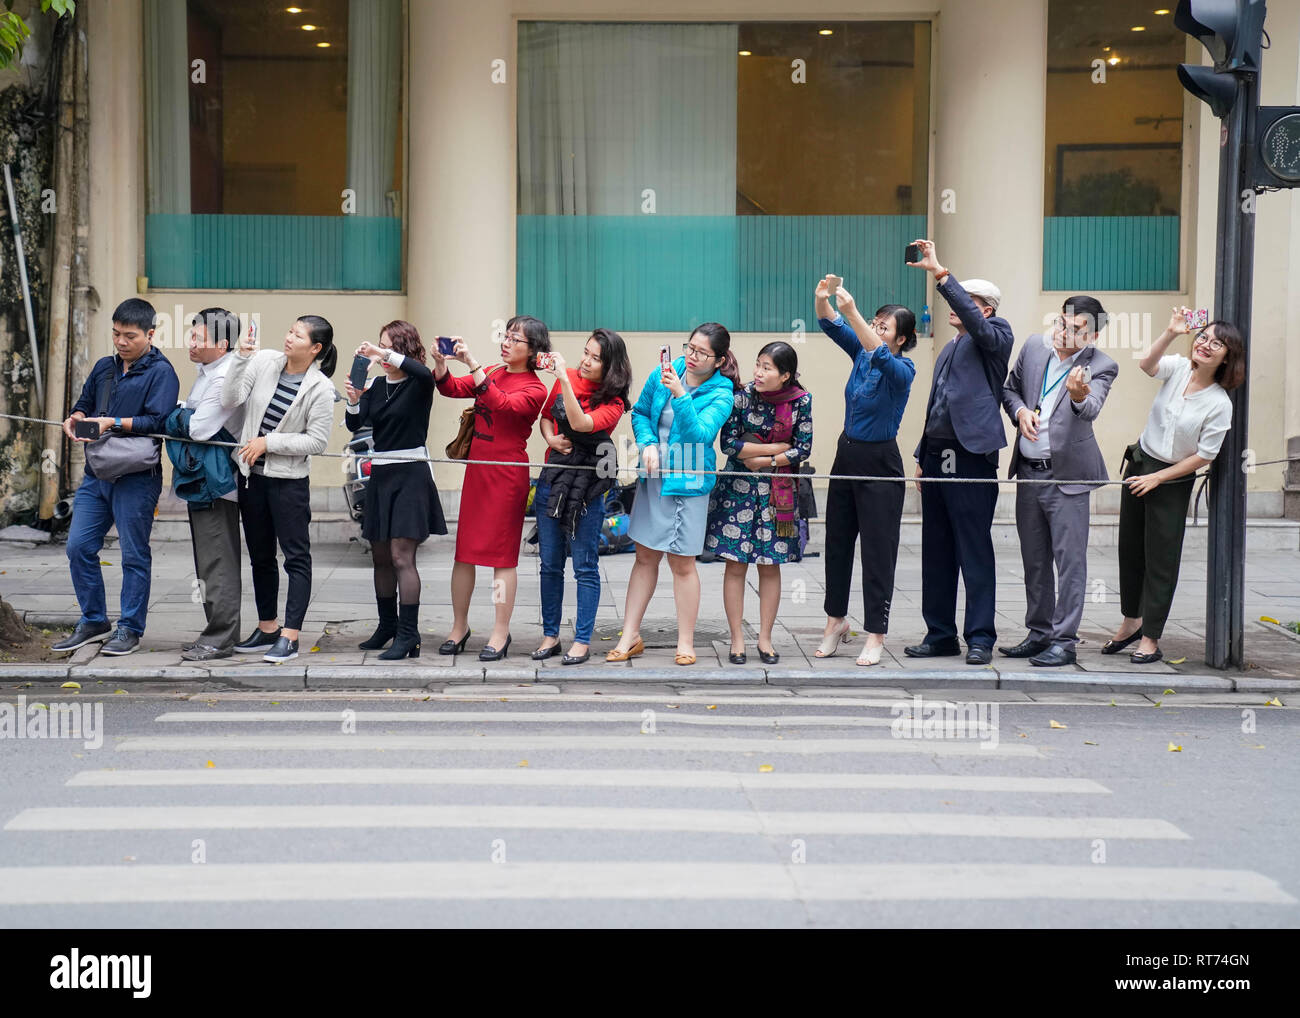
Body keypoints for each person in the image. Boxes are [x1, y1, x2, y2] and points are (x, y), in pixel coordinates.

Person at [1107, 309, 1243, 664]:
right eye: (1203, 337)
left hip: (1171, 478)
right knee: (1130, 550)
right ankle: (1130, 622)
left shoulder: (1218, 403)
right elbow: (1147, 365)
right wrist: (1170, 331)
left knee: (1161, 559)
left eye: (1217, 344)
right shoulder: (1180, 368)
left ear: (1228, 357)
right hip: (1140, 464)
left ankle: (1151, 637)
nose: (1205, 345)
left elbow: (1204, 456)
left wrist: (1158, 477)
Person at [903, 239, 1015, 666]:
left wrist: (941, 275)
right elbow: (938, 403)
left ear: (985, 308)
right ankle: (940, 634)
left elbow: (979, 326)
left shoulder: (996, 336)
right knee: (937, 548)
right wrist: (921, 452)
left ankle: (981, 636)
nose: (955, 306)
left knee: (974, 547)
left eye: (967, 301)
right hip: (938, 454)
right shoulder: (949, 347)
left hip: (972, 455)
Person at [606, 323, 739, 666]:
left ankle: (685, 641)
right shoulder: (665, 372)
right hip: (654, 478)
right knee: (645, 557)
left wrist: (681, 394)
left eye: (701, 353)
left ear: (719, 360)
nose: (691, 356)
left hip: (689, 483)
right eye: (689, 348)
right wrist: (647, 444)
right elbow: (641, 413)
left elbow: (699, 435)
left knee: (682, 563)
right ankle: (629, 635)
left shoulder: (722, 392)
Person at [53, 298, 180, 657]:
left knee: (133, 555)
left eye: (129, 336)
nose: (121, 342)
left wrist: (115, 423)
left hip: (138, 476)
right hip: (97, 472)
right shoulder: (104, 367)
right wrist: (75, 417)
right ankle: (93, 620)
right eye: (116, 334)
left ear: (150, 335)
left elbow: (160, 422)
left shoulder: (162, 372)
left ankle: (130, 628)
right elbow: (84, 402)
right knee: (78, 547)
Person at [1000, 297, 1119, 667]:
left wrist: (1079, 395)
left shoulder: (1101, 366)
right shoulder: (1035, 347)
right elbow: (1009, 389)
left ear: (1093, 334)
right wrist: (1020, 412)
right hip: (1029, 475)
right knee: (1034, 561)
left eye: (1076, 329)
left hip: (1067, 478)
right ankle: (1039, 634)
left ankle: (1064, 641)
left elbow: (1092, 407)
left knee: (1069, 563)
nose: (1064, 333)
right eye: (1061, 323)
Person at [221, 315, 338, 662]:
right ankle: (267, 626)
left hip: (288, 485)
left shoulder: (319, 387)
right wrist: (241, 357)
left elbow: (316, 441)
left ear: (315, 348)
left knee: (296, 558)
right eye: (289, 330)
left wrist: (269, 442)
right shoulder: (264, 362)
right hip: (251, 478)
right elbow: (231, 399)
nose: (289, 337)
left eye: (298, 335)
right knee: (260, 556)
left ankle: (291, 635)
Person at [812, 278, 917, 666]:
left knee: (877, 552)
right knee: (838, 544)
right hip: (847, 455)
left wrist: (853, 311)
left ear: (902, 339)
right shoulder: (861, 352)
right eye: (875, 322)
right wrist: (823, 299)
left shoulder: (903, 370)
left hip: (881, 463)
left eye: (884, 326)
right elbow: (829, 323)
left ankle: (876, 632)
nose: (875, 329)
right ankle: (835, 621)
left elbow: (877, 351)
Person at [434, 315, 551, 661]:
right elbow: (452, 389)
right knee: (464, 553)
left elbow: (502, 404)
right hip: (478, 471)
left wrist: (473, 364)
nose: (506, 342)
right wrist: (441, 366)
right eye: (506, 335)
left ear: (533, 351)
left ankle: (500, 631)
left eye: (516, 339)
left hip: (507, 475)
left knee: (502, 559)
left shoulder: (535, 388)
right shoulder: (495, 373)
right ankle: (459, 626)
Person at [344, 320, 448, 660]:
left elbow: (420, 369)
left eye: (388, 347)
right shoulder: (376, 385)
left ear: (402, 349)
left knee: (403, 557)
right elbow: (355, 425)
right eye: (378, 345)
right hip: (382, 475)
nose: (380, 353)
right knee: (380, 556)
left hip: (411, 475)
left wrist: (382, 353)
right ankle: (387, 626)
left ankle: (409, 635)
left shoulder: (420, 383)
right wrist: (354, 400)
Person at [706, 341, 813, 665]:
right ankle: (737, 639)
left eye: (767, 368)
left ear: (785, 375)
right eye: (758, 364)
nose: (759, 373)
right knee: (735, 566)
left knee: (770, 567)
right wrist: (775, 451)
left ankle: (765, 639)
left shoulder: (801, 401)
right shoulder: (741, 396)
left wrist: (764, 459)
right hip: (738, 492)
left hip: (778, 497)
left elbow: (803, 447)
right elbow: (728, 444)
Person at [533, 329, 632, 666]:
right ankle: (550, 635)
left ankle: (583, 640)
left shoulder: (614, 402)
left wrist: (563, 377)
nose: (585, 361)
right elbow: (546, 417)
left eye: (595, 358)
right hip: (552, 477)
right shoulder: (569, 375)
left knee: (585, 565)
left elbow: (580, 421)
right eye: (585, 353)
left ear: (611, 366)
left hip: (589, 486)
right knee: (549, 563)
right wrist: (552, 439)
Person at [171, 308, 246, 661]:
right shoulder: (207, 373)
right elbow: (194, 420)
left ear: (223, 344)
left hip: (218, 484)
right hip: (203, 479)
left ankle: (221, 638)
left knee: (218, 560)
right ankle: (214, 632)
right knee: (208, 561)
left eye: (199, 338)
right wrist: (185, 414)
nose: (191, 344)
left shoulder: (223, 377)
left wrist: (176, 414)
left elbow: (199, 429)